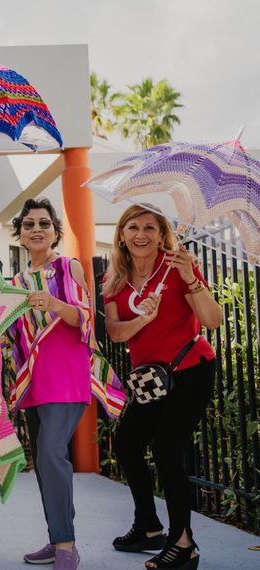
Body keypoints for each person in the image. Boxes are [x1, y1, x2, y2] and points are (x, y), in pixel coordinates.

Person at [0, 198, 122, 570]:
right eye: (29, 225)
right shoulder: (17, 282)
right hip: (32, 380)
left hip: (67, 374)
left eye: (44, 223)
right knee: (44, 464)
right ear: (21, 235)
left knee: (50, 453)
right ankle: (56, 535)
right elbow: (3, 328)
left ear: (55, 231)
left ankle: (66, 545)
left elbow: (86, 318)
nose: (37, 229)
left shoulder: (67, 267)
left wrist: (54, 304)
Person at [104, 205, 221, 570]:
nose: (141, 234)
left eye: (150, 227)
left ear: (161, 234)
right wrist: (143, 318)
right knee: (126, 444)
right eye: (133, 227)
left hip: (190, 370)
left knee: (168, 447)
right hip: (151, 379)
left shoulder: (176, 268)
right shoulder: (115, 280)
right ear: (122, 234)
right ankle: (149, 527)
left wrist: (192, 279)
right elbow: (115, 332)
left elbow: (212, 321)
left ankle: (183, 543)